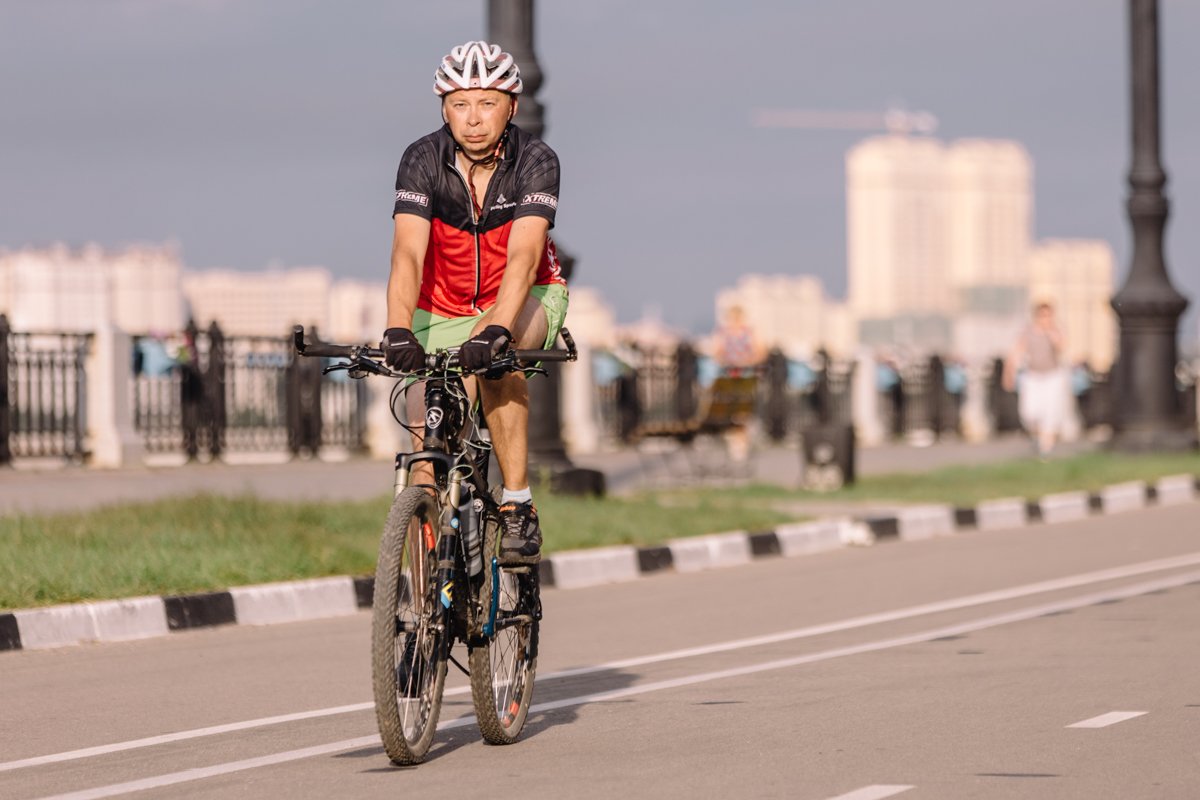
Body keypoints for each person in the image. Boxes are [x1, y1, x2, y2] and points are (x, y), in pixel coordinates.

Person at [383, 41, 568, 565]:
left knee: (495, 362)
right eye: (460, 104)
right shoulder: (421, 160)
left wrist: (496, 330)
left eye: (486, 103)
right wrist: (398, 329)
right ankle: (420, 601)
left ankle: (516, 503)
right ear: (444, 107)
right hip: (440, 307)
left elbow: (525, 255)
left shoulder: (535, 161)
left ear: (511, 105)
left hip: (527, 295)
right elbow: (407, 255)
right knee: (427, 451)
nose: (473, 119)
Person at [1003, 301, 1068, 459]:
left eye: (1048, 315)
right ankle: (1038, 438)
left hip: (1052, 377)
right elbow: (1016, 353)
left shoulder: (1055, 331)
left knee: (1050, 413)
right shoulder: (1028, 332)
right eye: (1042, 315)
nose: (1045, 319)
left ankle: (1046, 449)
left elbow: (1062, 348)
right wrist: (1008, 373)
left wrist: (1051, 333)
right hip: (1032, 377)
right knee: (1029, 412)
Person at [710, 305, 765, 465]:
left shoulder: (750, 333)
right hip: (728, 376)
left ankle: (741, 442)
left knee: (742, 411)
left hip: (746, 376)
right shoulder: (722, 333)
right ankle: (736, 440)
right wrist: (727, 360)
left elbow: (760, 352)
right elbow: (717, 352)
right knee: (730, 410)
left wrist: (746, 361)